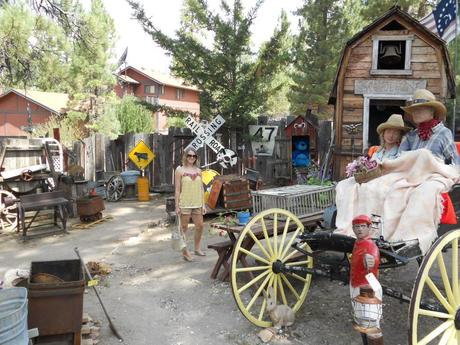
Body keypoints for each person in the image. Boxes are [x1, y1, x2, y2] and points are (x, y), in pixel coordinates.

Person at [399, 89, 460, 165]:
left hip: (436, 175)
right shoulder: (410, 135)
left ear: (432, 111)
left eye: (420, 109)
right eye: (413, 110)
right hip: (411, 175)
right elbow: (399, 160)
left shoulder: (444, 133)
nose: (415, 113)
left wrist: (435, 163)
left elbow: (455, 164)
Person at [175, 149, 206, 262]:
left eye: (194, 156)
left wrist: (203, 205)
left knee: (200, 226)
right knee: (183, 228)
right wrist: (177, 205)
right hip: (185, 203)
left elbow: (201, 188)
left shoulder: (199, 171)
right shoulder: (180, 170)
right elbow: (177, 189)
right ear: (185, 156)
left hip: (197, 203)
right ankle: (185, 252)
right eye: (189, 155)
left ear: (196, 157)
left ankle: (197, 248)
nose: (191, 157)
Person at [349, 215, 380, 299]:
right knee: (358, 307)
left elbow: (374, 255)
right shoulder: (357, 242)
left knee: (368, 307)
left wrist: (372, 260)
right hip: (356, 282)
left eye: (363, 226)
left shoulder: (369, 244)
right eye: (357, 226)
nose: (360, 229)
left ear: (369, 227)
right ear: (353, 229)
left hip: (365, 283)